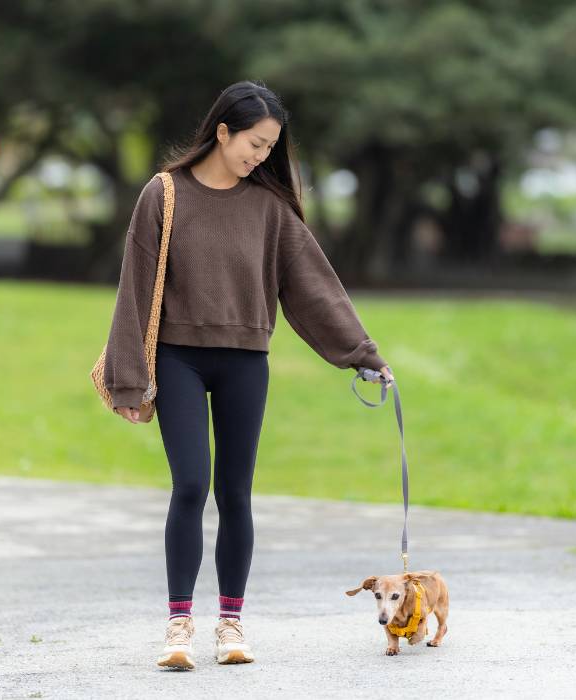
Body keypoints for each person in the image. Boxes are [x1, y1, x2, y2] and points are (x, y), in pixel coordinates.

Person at [102, 80, 393, 670]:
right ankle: (178, 625)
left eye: (270, 149)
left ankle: (231, 624)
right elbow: (133, 291)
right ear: (223, 130)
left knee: (236, 494)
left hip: (245, 362)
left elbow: (313, 289)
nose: (260, 157)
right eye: (254, 144)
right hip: (178, 358)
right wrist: (128, 376)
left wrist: (362, 353)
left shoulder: (270, 209)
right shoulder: (163, 194)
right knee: (191, 486)